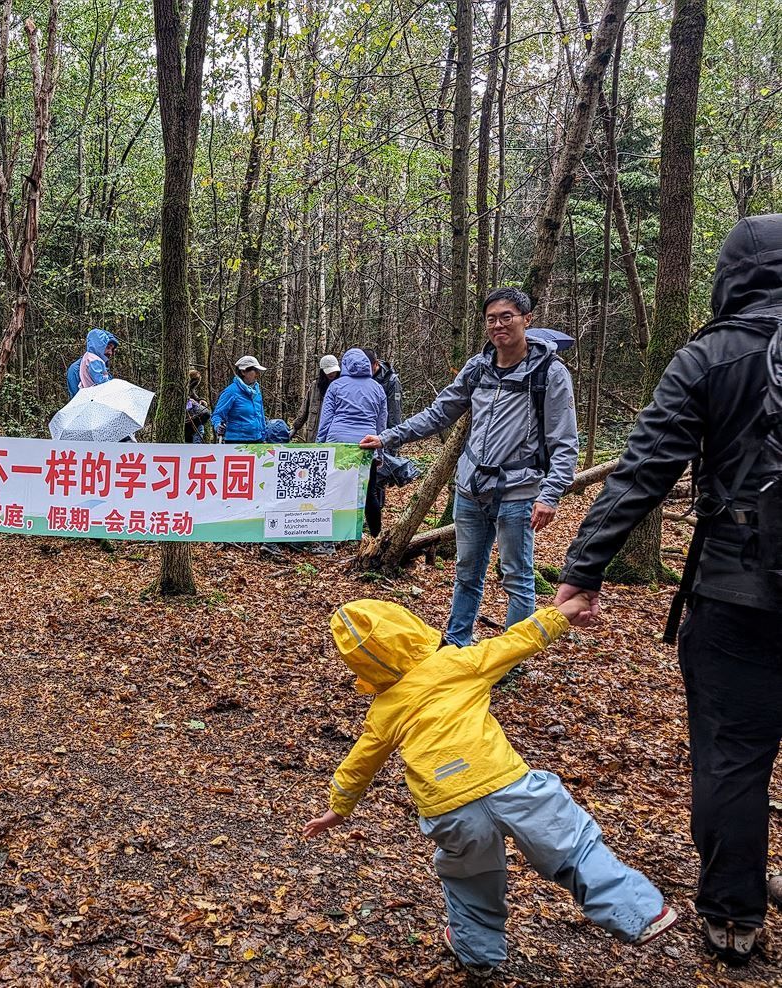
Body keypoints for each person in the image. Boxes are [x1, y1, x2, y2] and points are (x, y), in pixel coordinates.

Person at [554, 214, 782, 966]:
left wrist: (583, 569)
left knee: (732, 756)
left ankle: (733, 919)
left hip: (738, 593)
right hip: (737, 590)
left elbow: (645, 467)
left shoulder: (711, 355)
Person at [302, 597, 678, 974]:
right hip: (509, 785)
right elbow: (517, 641)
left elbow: (359, 763)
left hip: (448, 808)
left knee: (471, 879)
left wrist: (338, 808)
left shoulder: (383, 712)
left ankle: (478, 952)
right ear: (410, 628)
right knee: (573, 849)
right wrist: (562, 613)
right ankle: (639, 913)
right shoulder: (457, 662)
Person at [361, 288, 578, 647]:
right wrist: (388, 437)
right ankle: (456, 643)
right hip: (470, 489)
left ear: (527, 319)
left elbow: (565, 441)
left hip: (519, 492)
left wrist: (550, 495)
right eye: (491, 319)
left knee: (517, 577)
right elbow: (439, 413)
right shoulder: (478, 367)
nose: (498, 325)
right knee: (467, 573)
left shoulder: (549, 373)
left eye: (507, 317)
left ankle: (511, 656)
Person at [317, 348, 388, 537]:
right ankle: (376, 536)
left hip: (338, 444)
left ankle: (332, 536)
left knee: (335, 490)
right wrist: (379, 453)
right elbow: (381, 424)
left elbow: (325, 421)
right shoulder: (377, 388)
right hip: (366, 444)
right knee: (369, 492)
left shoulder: (336, 386)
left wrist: (320, 446)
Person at [211, 355, 268, 443]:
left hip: (257, 440)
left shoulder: (256, 391)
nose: (257, 374)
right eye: (255, 371)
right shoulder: (231, 391)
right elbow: (217, 415)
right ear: (243, 372)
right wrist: (218, 426)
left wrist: (264, 436)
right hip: (236, 441)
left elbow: (261, 416)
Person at [292, 354, 341, 441]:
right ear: (322, 371)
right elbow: (304, 409)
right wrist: (295, 428)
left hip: (333, 434)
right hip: (314, 432)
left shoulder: (342, 387)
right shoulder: (315, 386)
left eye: (333, 371)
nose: (331, 373)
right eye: (328, 371)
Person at [66, 329, 119, 397]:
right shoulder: (76, 369)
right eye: (108, 347)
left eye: (112, 349)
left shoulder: (100, 364)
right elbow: (76, 397)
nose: (110, 353)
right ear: (98, 345)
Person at [364, 347, 404, 435]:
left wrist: (393, 437)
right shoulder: (362, 378)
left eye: (368, 367)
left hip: (383, 431)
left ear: (376, 364)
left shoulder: (392, 381)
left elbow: (394, 412)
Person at [185, 370, 211, 443]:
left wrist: (201, 400)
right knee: (197, 433)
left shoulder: (191, 390)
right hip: (189, 419)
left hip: (195, 419)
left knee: (199, 432)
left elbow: (195, 396)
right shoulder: (185, 389)